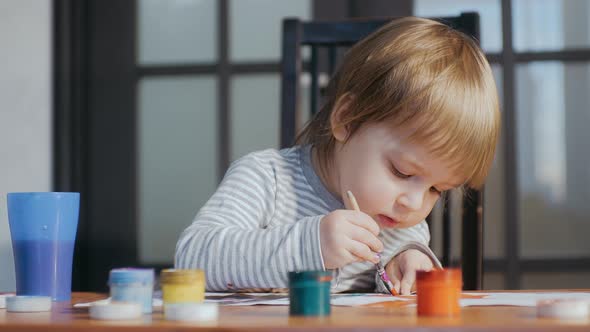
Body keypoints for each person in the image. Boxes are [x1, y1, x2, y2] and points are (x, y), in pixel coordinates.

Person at [175, 16, 500, 295]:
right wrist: (309, 246)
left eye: (436, 189)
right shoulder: (265, 179)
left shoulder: (399, 222)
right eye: (401, 171)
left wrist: (409, 266)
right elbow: (192, 259)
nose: (415, 204)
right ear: (346, 119)